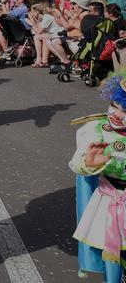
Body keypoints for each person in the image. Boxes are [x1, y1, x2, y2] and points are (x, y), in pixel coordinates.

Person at [70, 71, 126, 282]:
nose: (117, 114)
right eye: (114, 105)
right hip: (110, 201)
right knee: (112, 256)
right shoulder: (96, 128)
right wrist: (88, 163)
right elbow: (77, 163)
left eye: (125, 109)